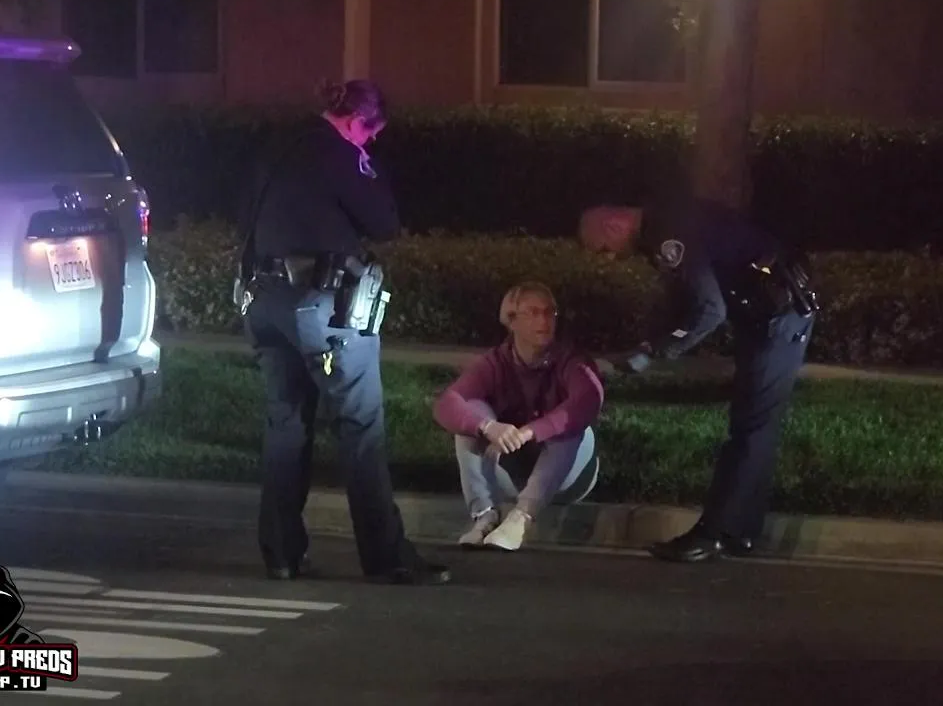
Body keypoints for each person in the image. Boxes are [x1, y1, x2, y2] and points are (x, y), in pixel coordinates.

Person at [237, 79, 450, 586]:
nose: (369, 143)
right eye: (370, 135)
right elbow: (384, 222)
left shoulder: (276, 147)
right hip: (322, 309)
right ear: (357, 122)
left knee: (287, 424)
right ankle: (387, 556)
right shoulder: (342, 154)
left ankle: (282, 554)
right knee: (361, 426)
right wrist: (366, 167)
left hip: (264, 302)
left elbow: (244, 218)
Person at [607, 194, 818, 563]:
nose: (609, 257)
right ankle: (740, 532)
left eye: (603, 247)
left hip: (779, 318)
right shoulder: (671, 218)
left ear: (613, 225)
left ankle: (712, 534)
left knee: (750, 431)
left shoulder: (668, 232)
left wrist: (656, 352)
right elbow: (688, 297)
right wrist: (653, 342)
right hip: (773, 315)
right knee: (756, 428)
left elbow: (709, 310)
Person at [431, 281, 605, 551]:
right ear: (511, 321)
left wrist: (531, 431)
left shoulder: (570, 360)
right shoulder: (495, 362)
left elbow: (588, 400)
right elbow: (446, 404)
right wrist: (487, 427)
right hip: (512, 471)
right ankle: (485, 516)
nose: (544, 321)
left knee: (568, 426)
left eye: (549, 312)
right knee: (471, 412)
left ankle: (521, 518)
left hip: (571, 474)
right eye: (533, 313)